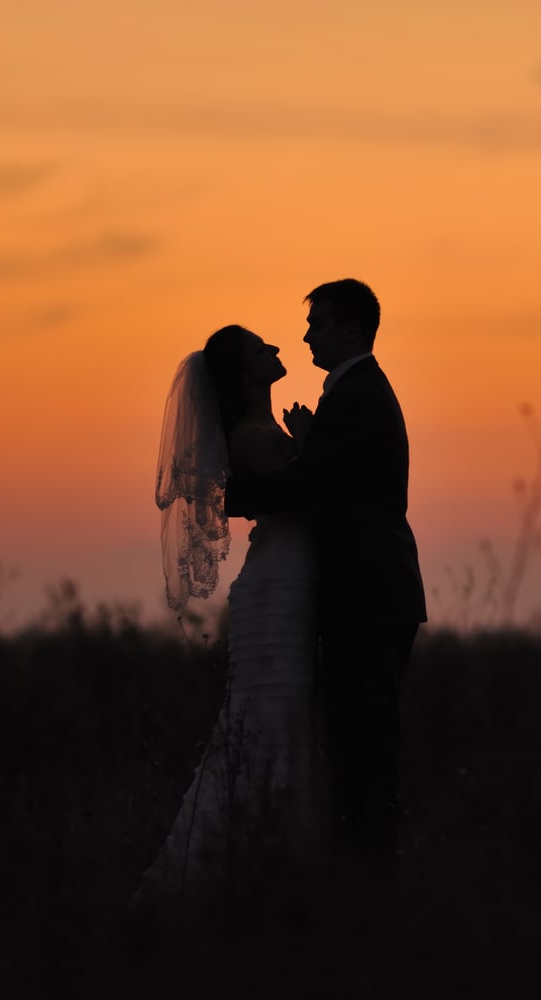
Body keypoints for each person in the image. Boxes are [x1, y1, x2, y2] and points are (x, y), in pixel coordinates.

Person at [225, 278, 427, 869]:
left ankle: (367, 874)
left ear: (349, 327)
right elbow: (333, 475)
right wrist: (312, 446)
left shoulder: (357, 395)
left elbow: (314, 484)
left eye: (317, 324)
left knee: (362, 745)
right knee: (356, 740)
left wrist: (234, 495)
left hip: (366, 595)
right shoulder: (354, 394)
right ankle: (363, 867)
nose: (308, 334)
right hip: (369, 590)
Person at [132, 324, 321, 914]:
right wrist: (312, 445)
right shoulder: (253, 438)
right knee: (274, 713)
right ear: (245, 374)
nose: (276, 350)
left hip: (284, 575)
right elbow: (309, 495)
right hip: (282, 582)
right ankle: (246, 866)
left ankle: (264, 863)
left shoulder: (263, 432)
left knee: (277, 714)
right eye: (261, 348)